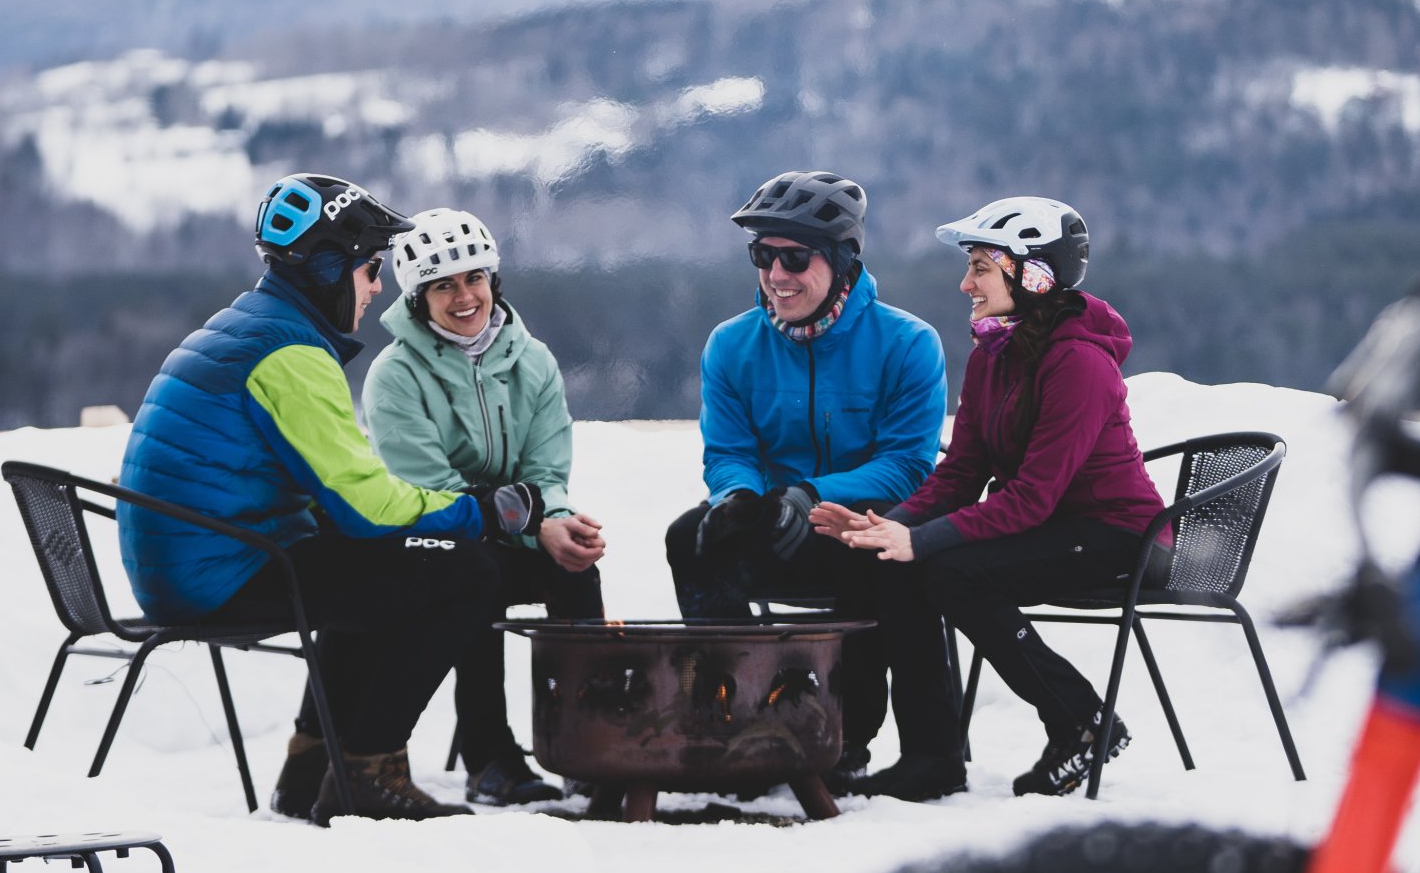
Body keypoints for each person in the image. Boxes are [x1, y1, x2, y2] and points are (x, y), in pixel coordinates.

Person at [118, 172, 577, 825]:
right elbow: (365, 506)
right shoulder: (288, 352)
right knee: (465, 570)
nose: (377, 287)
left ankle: (311, 769)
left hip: (204, 561)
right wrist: (481, 512)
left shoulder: (255, 327)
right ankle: (370, 767)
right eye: (369, 269)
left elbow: (347, 504)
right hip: (222, 571)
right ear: (329, 269)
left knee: (369, 562)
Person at [813, 196, 1167, 799]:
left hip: (1117, 536)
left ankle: (1080, 720)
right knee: (897, 562)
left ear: (1032, 275)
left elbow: (1031, 495)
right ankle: (931, 757)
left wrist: (922, 539)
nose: (965, 283)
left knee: (951, 572)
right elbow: (961, 475)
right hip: (1055, 525)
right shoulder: (993, 357)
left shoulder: (1080, 364)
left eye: (980, 267)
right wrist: (889, 527)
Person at [666, 169, 952, 787]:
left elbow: (907, 465)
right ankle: (739, 722)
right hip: (777, 525)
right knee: (691, 537)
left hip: (866, 526)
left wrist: (815, 494)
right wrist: (739, 498)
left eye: (795, 257)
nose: (776, 275)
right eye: (762, 257)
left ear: (843, 261)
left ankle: (914, 750)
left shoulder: (909, 344)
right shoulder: (731, 345)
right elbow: (728, 450)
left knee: (901, 557)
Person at [362, 206, 606, 807]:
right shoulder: (393, 375)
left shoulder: (533, 360)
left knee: (577, 568)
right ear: (419, 299)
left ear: (494, 281)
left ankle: (590, 742)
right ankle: (489, 755)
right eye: (442, 285)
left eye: (474, 278)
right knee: (476, 570)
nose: (463, 296)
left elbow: (546, 469)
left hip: (509, 527)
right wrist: (529, 524)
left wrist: (556, 522)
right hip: (426, 540)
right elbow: (429, 490)